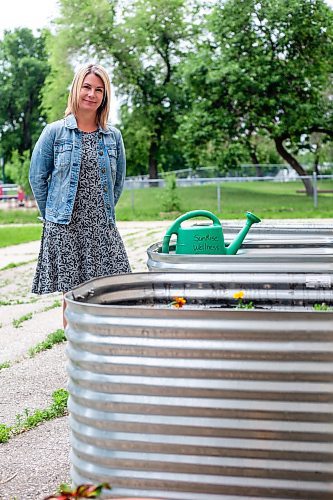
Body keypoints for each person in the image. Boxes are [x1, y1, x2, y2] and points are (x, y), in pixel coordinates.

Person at [29, 63, 131, 328]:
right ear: (76, 88)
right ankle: (75, 349)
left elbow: (118, 181)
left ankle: (103, 342)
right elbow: (37, 177)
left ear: (105, 96)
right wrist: (52, 215)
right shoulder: (55, 132)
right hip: (65, 225)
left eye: (99, 89)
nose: (92, 94)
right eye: (87, 87)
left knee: (111, 286)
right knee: (73, 293)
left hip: (101, 224)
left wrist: (102, 210)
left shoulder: (113, 137)